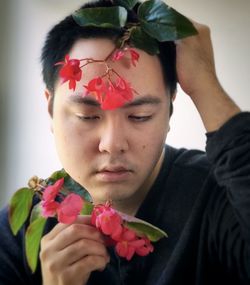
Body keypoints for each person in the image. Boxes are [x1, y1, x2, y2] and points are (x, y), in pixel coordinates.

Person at [0, 0, 249, 284]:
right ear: (50, 109)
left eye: (140, 116)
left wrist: (206, 85)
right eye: (87, 116)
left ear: (169, 109)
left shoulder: (221, 197)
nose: (112, 143)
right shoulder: (18, 232)